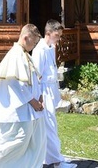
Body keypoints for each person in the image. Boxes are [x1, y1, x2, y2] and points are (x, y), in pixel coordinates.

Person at [0, 23, 46, 168]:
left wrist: (40, 96)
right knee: (16, 143)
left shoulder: (25, 55)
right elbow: (16, 84)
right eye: (34, 42)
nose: (34, 46)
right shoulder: (15, 55)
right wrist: (33, 101)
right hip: (18, 111)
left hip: (31, 111)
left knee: (36, 141)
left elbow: (34, 80)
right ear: (26, 37)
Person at [32, 20, 77, 168]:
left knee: (52, 125)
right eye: (57, 35)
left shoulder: (50, 48)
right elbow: (37, 76)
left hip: (50, 89)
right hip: (44, 91)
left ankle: (54, 157)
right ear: (48, 33)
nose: (59, 38)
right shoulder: (40, 50)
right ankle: (56, 161)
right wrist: (39, 97)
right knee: (49, 125)